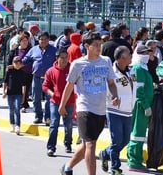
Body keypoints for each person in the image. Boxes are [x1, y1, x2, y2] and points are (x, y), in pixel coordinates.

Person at [58, 31, 119, 175]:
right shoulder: (78, 64)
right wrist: (62, 105)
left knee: (87, 144)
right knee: (91, 144)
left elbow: (111, 83)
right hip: (84, 108)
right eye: (96, 45)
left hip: (101, 109)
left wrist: (115, 96)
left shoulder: (106, 61)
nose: (99, 47)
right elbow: (69, 86)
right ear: (87, 46)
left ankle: (67, 166)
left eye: (100, 44)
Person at [98, 46, 134, 175]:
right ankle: (115, 167)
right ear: (122, 58)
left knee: (125, 140)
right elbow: (105, 90)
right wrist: (112, 99)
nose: (131, 56)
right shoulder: (111, 72)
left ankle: (105, 153)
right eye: (129, 54)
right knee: (117, 140)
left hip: (128, 111)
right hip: (114, 111)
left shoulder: (131, 71)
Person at [126, 45, 154, 172]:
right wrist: (146, 106)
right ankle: (134, 161)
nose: (148, 55)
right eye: (145, 53)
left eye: (149, 53)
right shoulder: (138, 68)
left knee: (139, 134)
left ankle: (135, 159)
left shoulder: (143, 68)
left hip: (143, 104)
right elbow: (139, 90)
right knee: (137, 134)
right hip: (140, 106)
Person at [43, 48, 75, 157]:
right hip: (55, 102)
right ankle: (51, 147)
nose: (65, 60)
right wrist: (53, 94)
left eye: (66, 57)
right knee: (54, 124)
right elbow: (45, 86)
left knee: (68, 124)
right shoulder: (50, 71)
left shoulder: (72, 69)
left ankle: (68, 144)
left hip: (69, 102)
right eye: (62, 58)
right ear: (57, 58)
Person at [23, 31, 56, 125]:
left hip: (49, 80)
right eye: (41, 39)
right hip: (36, 78)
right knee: (36, 98)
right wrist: (18, 62)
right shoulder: (34, 49)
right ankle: (38, 116)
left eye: (45, 39)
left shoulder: (53, 50)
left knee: (48, 99)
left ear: (48, 40)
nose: (43, 41)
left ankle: (48, 117)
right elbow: (26, 59)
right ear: (38, 40)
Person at [6, 33, 33, 112]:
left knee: (26, 89)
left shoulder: (30, 50)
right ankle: (22, 104)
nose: (25, 42)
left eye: (26, 41)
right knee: (20, 89)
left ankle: (24, 102)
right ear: (20, 42)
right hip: (18, 73)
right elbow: (9, 62)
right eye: (23, 41)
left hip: (28, 73)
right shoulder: (15, 51)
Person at [2, 56, 26, 135]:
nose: (17, 65)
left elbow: (24, 85)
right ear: (13, 63)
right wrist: (4, 92)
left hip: (18, 94)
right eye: (16, 63)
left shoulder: (22, 73)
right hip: (10, 93)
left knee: (17, 109)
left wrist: (23, 96)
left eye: (19, 63)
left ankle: (17, 126)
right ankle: (11, 124)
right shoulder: (9, 71)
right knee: (11, 109)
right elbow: (5, 82)